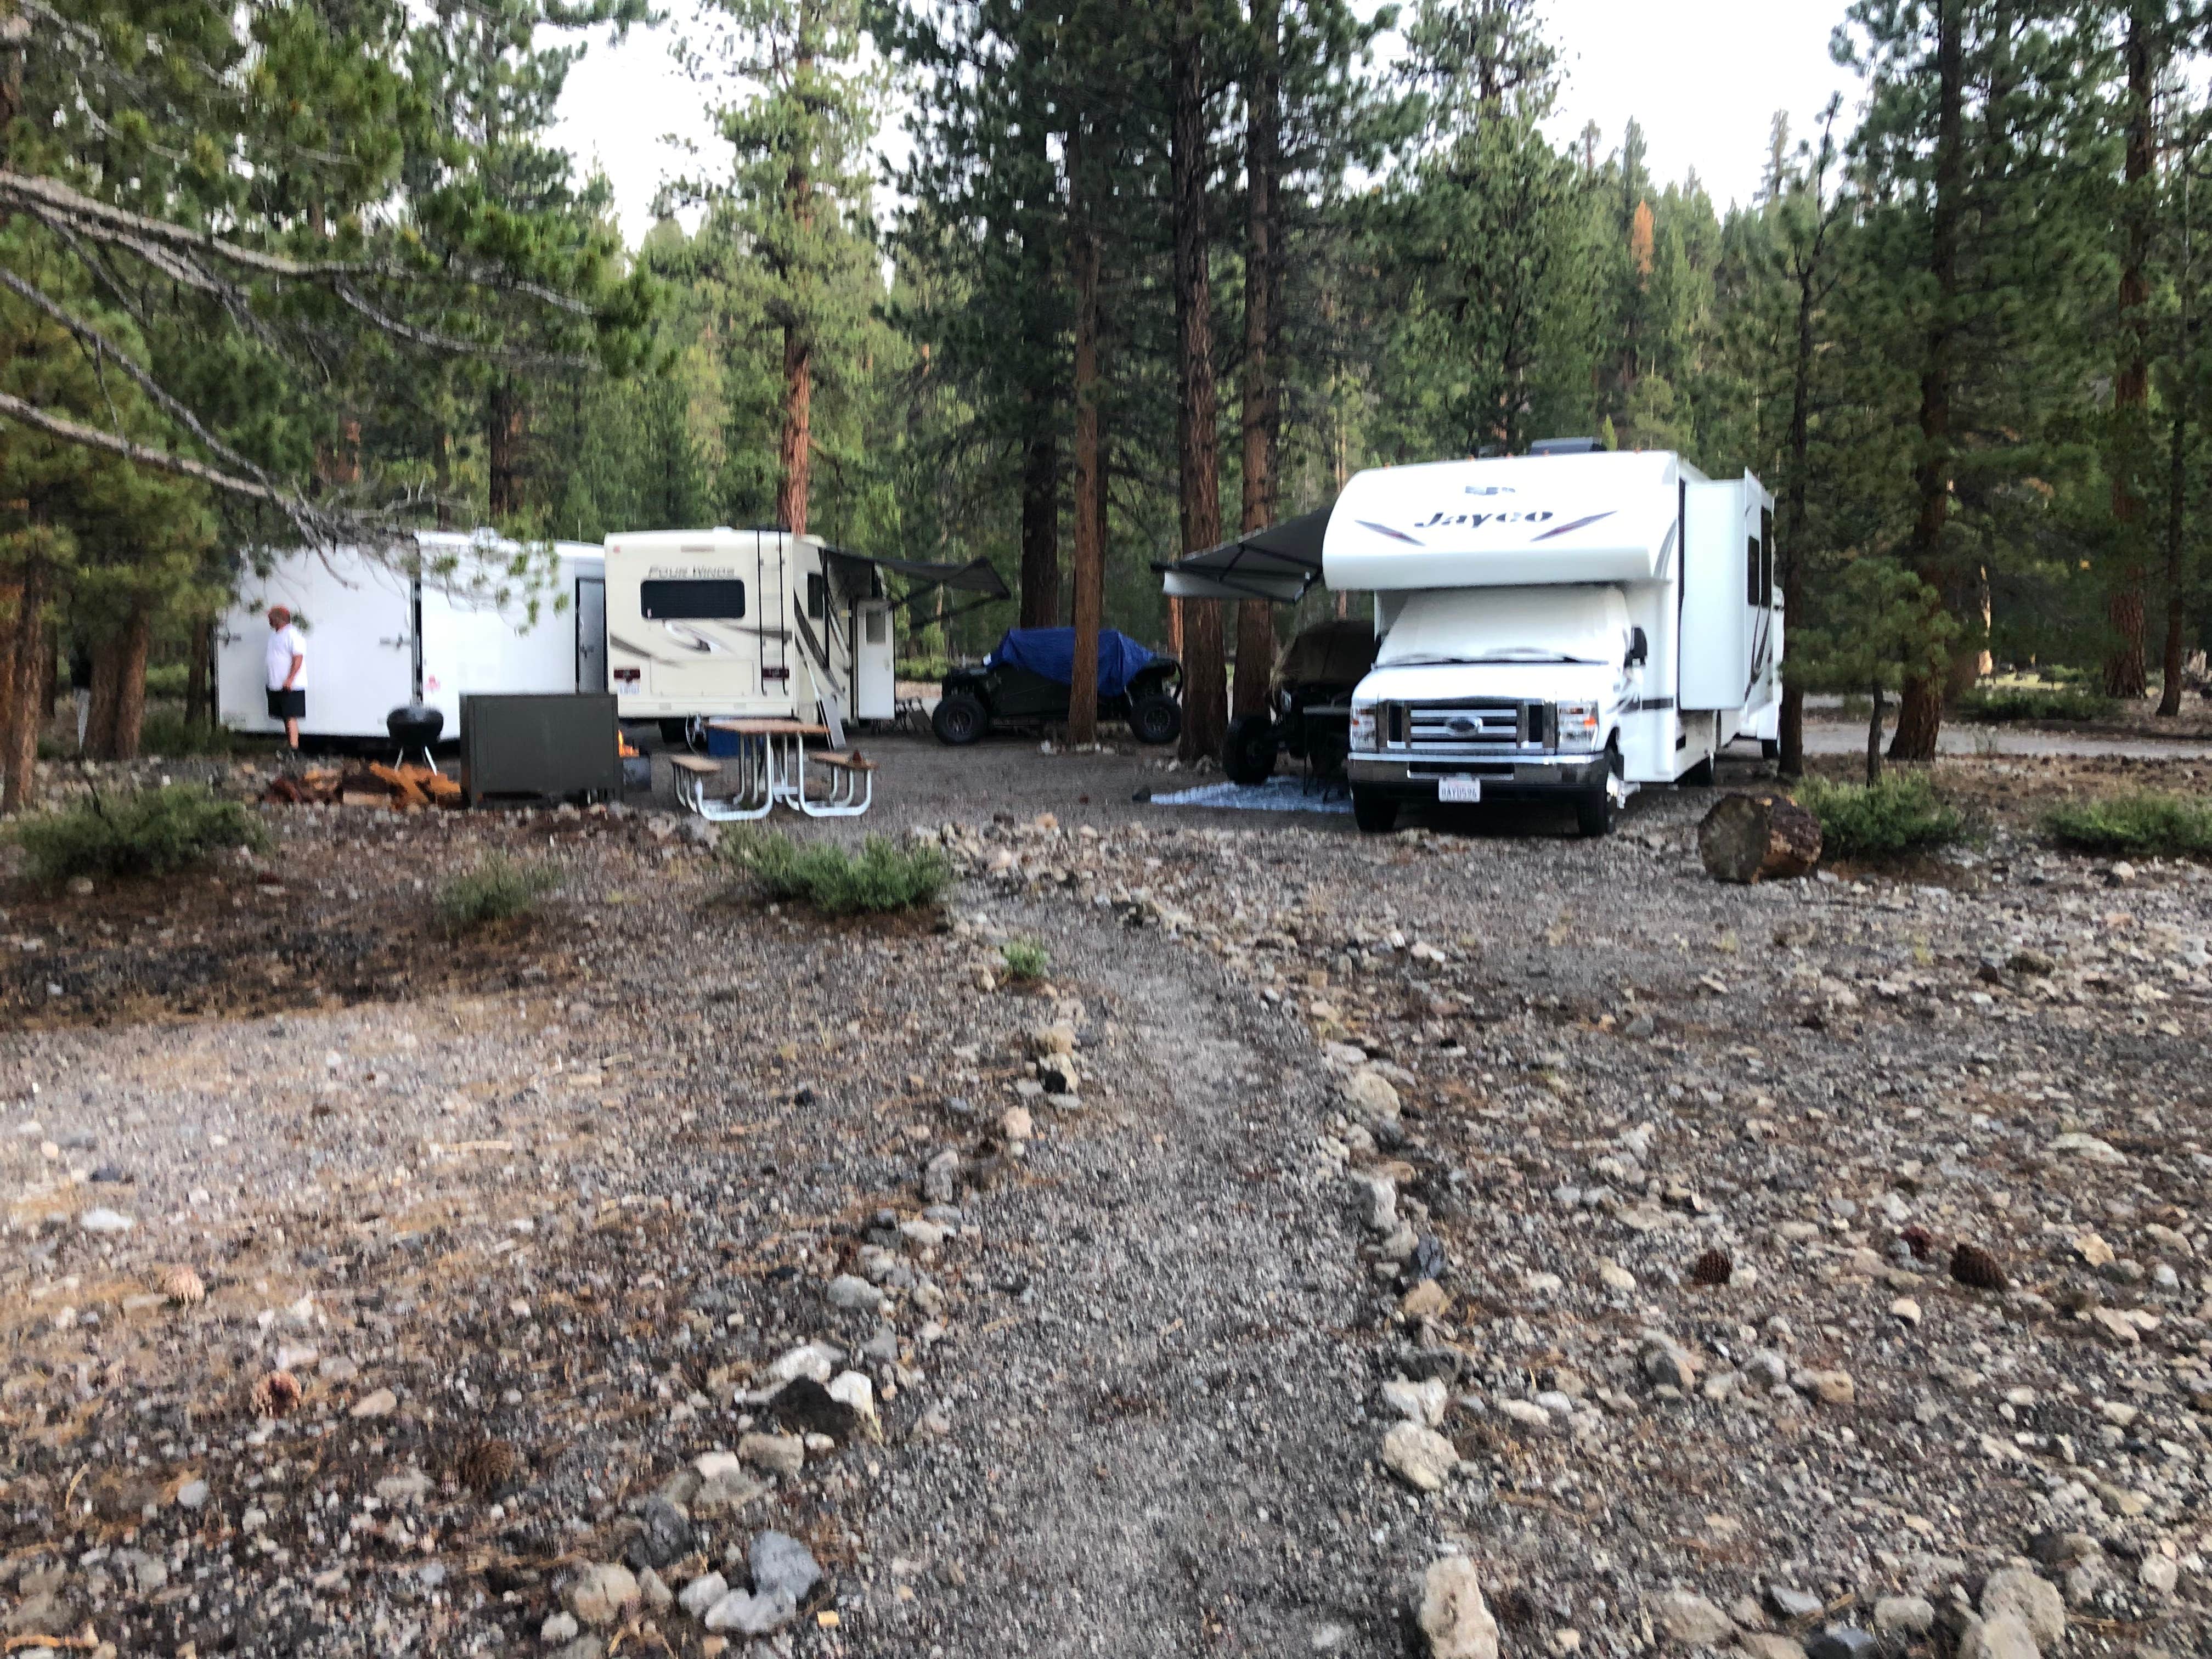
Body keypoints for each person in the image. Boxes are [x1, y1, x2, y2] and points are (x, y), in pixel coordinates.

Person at [264, 605, 306, 750]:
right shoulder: (275, 635)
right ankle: (290, 745)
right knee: (284, 716)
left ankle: (294, 749)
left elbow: (298, 657)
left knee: (290, 716)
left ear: (278, 619)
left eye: (271, 618)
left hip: (290, 684)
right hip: (276, 684)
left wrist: (290, 679)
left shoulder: (292, 634)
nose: (269, 620)